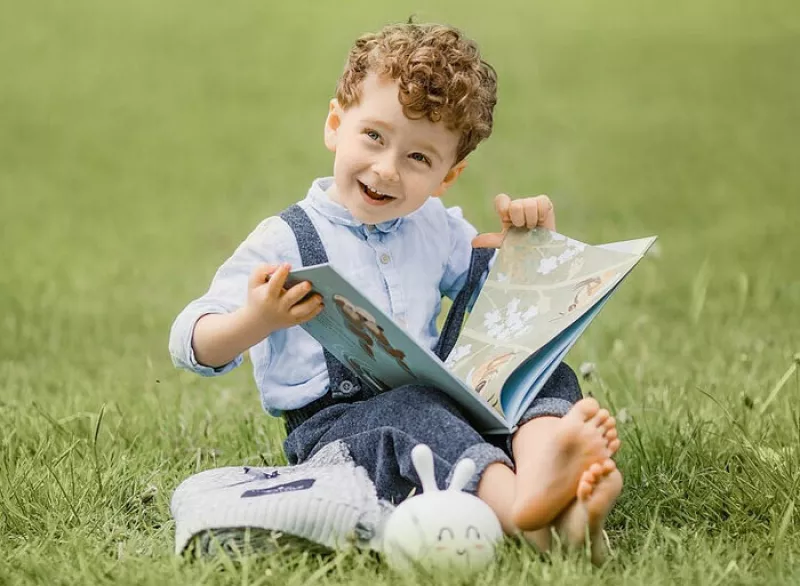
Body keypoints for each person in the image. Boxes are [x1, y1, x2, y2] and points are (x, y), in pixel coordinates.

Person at [169, 22, 622, 564]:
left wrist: (530, 243)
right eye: (374, 137)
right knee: (413, 411)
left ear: (448, 176)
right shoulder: (286, 238)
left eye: (419, 159)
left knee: (536, 365)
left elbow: (499, 295)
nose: (386, 169)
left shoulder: (434, 226)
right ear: (335, 124)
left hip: (444, 405)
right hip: (339, 435)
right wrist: (255, 321)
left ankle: (553, 474)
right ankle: (527, 507)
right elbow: (189, 340)